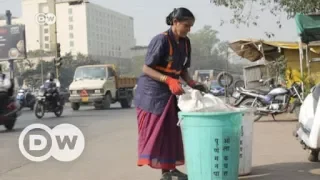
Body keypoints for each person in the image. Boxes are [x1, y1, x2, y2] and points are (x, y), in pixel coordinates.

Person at [134, 7, 207, 180]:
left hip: (171, 91)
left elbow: (183, 70)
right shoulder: (161, 40)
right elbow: (146, 68)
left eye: (191, 26)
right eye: (186, 25)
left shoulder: (186, 43)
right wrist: (168, 80)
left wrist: (192, 83)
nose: (189, 29)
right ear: (175, 22)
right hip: (152, 91)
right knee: (159, 132)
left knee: (172, 131)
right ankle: (165, 172)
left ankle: (169, 169)